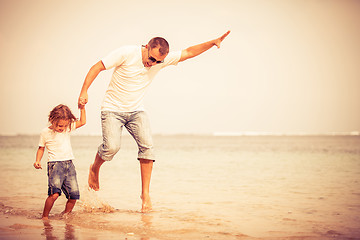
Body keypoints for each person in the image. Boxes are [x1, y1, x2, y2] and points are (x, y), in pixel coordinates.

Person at [78, 31, 231, 213]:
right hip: (112, 109)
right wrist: (84, 91)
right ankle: (94, 169)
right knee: (111, 147)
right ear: (147, 47)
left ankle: (145, 195)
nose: (153, 64)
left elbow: (189, 52)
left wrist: (213, 42)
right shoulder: (126, 53)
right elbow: (97, 67)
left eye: (158, 62)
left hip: (136, 111)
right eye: (151, 59)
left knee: (148, 148)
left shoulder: (160, 60)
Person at [34, 104, 86, 220]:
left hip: (69, 164)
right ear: (52, 120)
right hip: (55, 164)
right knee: (54, 194)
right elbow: (41, 148)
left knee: (74, 195)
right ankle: (45, 217)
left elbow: (82, 122)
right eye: (59, 125)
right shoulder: (45, 132)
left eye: (65, 125)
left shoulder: (67, 128)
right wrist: (38, 160)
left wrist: (82, 108)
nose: (62, 128)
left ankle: (65, 216)